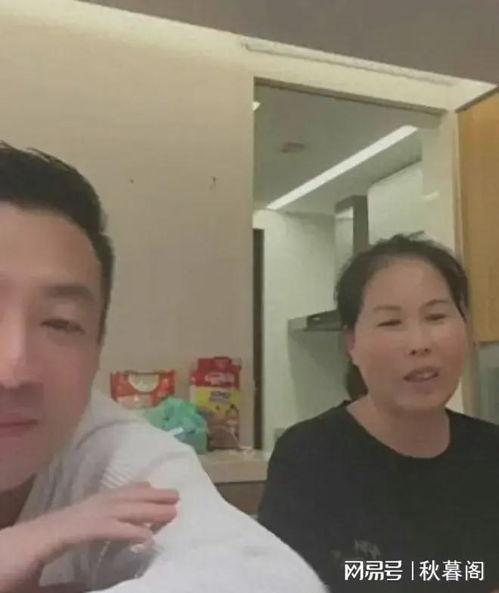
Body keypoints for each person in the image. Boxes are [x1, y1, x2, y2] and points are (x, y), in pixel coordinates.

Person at [0, 143, 326, 593]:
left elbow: (268, 578)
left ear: (98, 347)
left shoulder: (105, 448)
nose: (13, 371)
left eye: (61, 322)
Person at [259, 234, 499, 593]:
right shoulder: (309, 456)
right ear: (352, 344)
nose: (419, 343)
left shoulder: (491, 453)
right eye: (391, 323)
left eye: (436, 316)